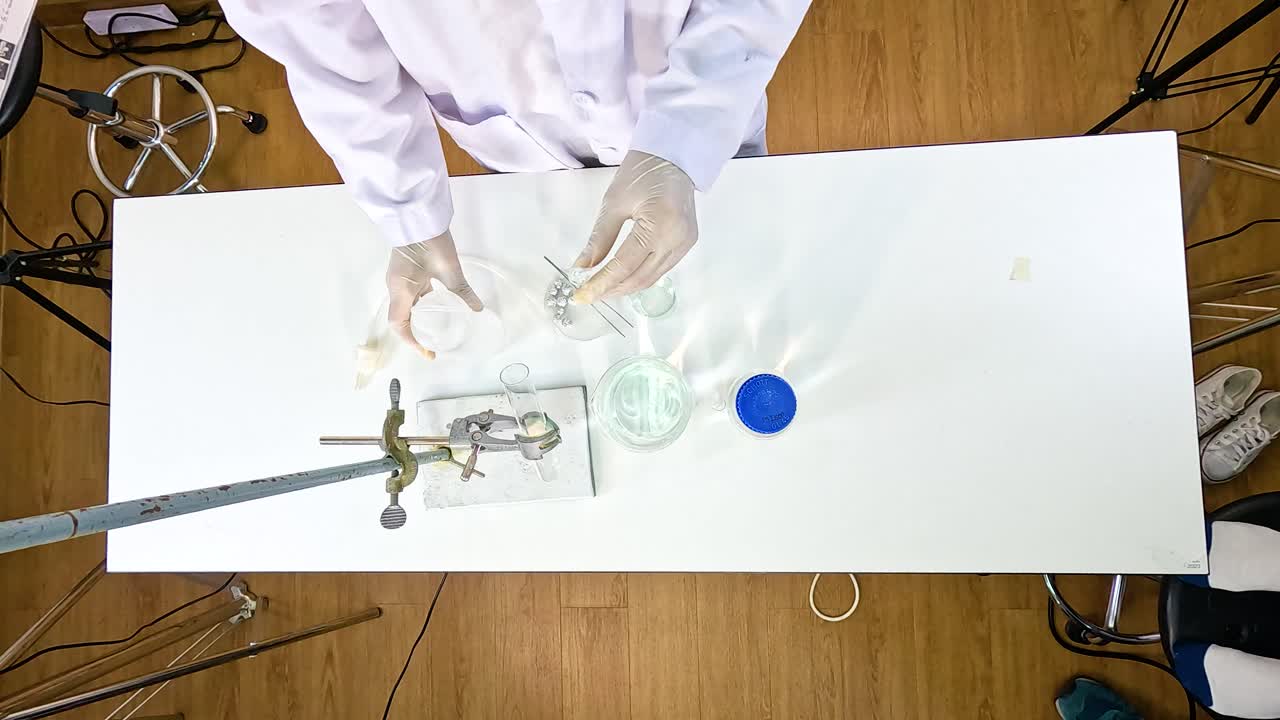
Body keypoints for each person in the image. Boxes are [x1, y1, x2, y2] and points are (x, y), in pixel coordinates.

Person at [220, 1, 811, 357]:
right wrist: (408, 214)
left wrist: (684, 136)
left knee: (735, 297)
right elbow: (324, 47)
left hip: (695, 83)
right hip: (521, 139)